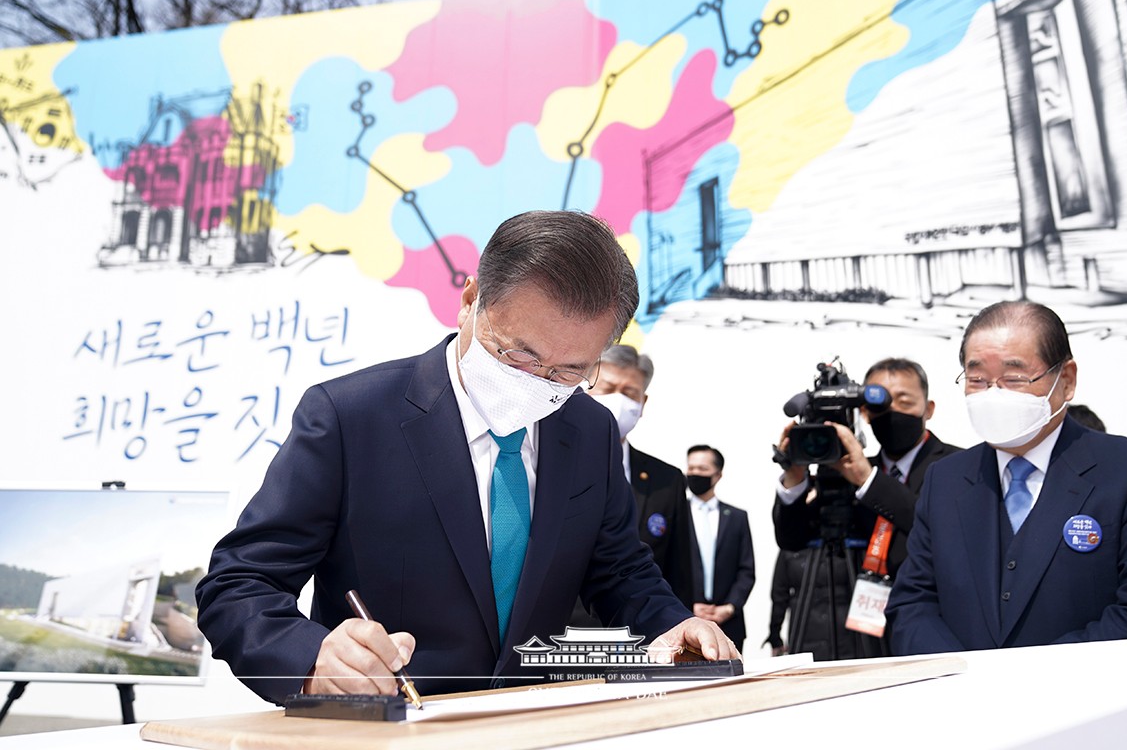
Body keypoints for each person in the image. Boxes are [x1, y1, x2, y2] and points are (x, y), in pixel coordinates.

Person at [196, 210, 737, 703]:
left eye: (570, 371)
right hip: (389, 730)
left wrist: (671, 624)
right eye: (517, 353)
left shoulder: (589, 429)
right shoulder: (350, 417)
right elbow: (238, 584)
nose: (536, 383)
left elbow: (619, 572)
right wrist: (311, 660)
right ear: (471, 299)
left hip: (537, 728)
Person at [887, 300, 1127, 654]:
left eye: (1014, 377)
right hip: (963, 699)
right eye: (977, 380)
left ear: (1066, 380)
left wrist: (1031, 681)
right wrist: (962, 676)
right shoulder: (946, 479)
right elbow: (912, 605)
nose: (994, 393)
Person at [773, 358, 959, 659]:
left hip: (933, 628)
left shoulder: (955, 465)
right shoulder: (847, 470)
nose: (892, 412)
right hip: (857, 638)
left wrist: (868, 481)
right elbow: (791, 539)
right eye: (880, 404)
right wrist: (794, 480)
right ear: (864, 411)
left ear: (929, 408)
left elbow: (936, 527)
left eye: (904, 400)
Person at [588, 345, 693, 605]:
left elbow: (679, 572)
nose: (618, 401)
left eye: (629, 393)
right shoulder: (547, 463)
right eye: (608, 389)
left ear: (642, 402)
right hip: (560, 636)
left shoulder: (667, 480)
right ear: (585, 389)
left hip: (639, 635)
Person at [686, 444, 755, 653]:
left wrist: (730, 607)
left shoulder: (736, 517)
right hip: (685, 621)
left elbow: (747, 569)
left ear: (717, 475)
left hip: (728, 624)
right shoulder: (675, 515)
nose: (695, 474)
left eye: (702, 469)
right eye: (691, 469)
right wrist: (686, 605)